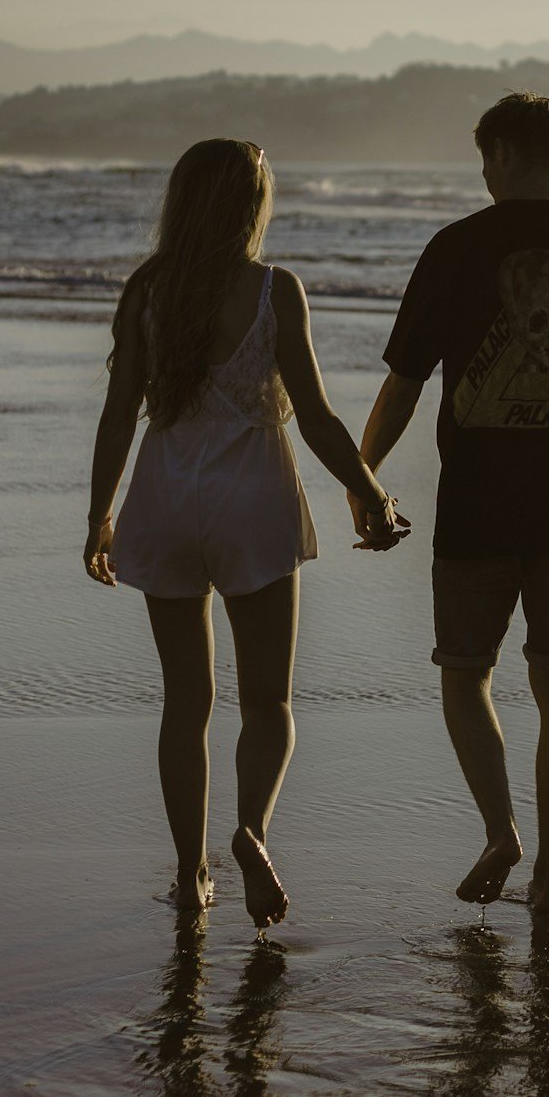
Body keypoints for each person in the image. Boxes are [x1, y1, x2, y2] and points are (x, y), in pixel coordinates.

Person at [83, 137, 409, 929]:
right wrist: (371, 491)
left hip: (165, 501)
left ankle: (191, 874)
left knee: (184, 703)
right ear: (250, 208)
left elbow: (119, 410)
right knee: (268, 702)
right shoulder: (274, 291)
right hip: (252, 501)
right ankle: (250, 831)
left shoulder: (147, 291)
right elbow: (321, 417)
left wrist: (99, 515)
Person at [356, 92, 549, 917]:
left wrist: (360, 476)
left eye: (485, 159)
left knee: (465, 674)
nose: (483, 175)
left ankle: (502, 830)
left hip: (477, 510)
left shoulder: (455, 247)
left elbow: (404, 386)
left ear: (504, 154)